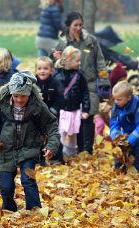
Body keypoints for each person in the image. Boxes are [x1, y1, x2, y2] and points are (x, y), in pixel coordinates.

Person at [0, 71, 60, 212]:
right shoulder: (1, 106)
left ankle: (35, 209)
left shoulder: (38, 107)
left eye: (23, 96)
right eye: (16, 96)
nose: (19, 99)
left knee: (28, 180)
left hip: (29, 151)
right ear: (11, 93)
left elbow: (52, 126)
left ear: (30, 93)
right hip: (6, 151)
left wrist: (51, 146)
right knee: (6, 188)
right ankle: (9, 209)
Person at [53, 11, 106, 154]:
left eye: (81, 25)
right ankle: (67, 151)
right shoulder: (63, 43)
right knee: (70, 121)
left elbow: (100, 61)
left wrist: (104, 80)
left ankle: (86, 151)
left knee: (87, 117)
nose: (78, 28)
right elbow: (55, 65)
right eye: (75, 25)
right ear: (69, 26)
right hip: (70, 87)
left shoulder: (91, 41)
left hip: (89, 84)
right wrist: (56, 58)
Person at [54, 46, 90, 158]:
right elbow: (54, 93)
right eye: (77, 60)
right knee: (60, 132)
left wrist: (86, 109)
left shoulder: (80, 76)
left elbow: (85, 94)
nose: (79, 63)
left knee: (74, 133)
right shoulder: (57, 75)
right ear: (68, 60)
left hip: (75, 110)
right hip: (61, 111)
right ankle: (59, 154)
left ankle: (73, 153)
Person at [109, 81, 139, 173]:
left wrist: (130, 141)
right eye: (115, 99)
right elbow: (114, 122)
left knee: (138, 152)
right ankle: (120, 171)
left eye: (119, 99)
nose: (116, 102)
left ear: (128, 97)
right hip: (127, 130)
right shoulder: (117, 105)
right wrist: (116, 136)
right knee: (120, 152)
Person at [34, 56, 65, 164]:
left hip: (52, 114)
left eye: (45, 68)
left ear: (51, 70)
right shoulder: (32, 83)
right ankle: (39, 158)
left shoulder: (55, 83)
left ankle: (56, 158)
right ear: (36, 70)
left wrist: (54, 110)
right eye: (40, 68)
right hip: (37, 115)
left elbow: (61, 98)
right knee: (36, 137)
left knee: (53, 136)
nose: (42, 71)